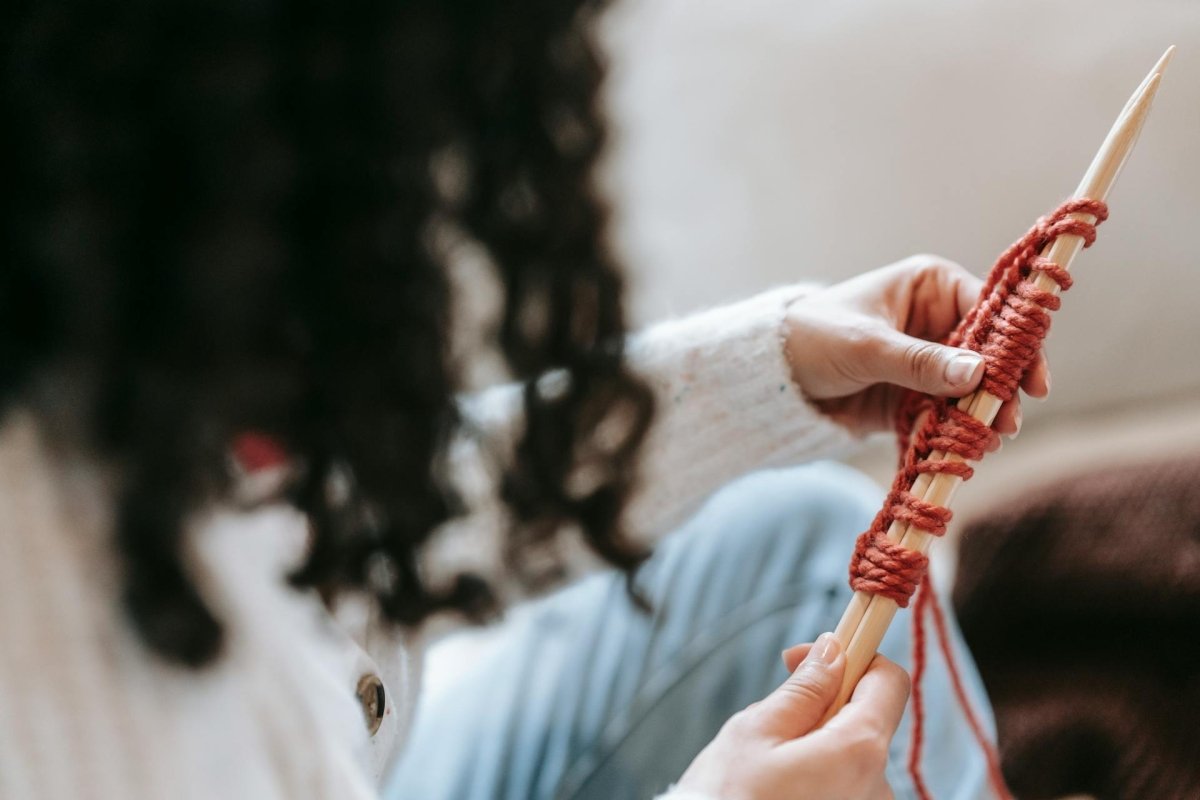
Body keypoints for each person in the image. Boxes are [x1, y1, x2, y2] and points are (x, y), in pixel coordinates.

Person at [0, 3, 1044, 799]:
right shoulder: (47, 653)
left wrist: (774, 369)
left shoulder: (157, 346)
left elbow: (372, 532)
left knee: (793, 536)